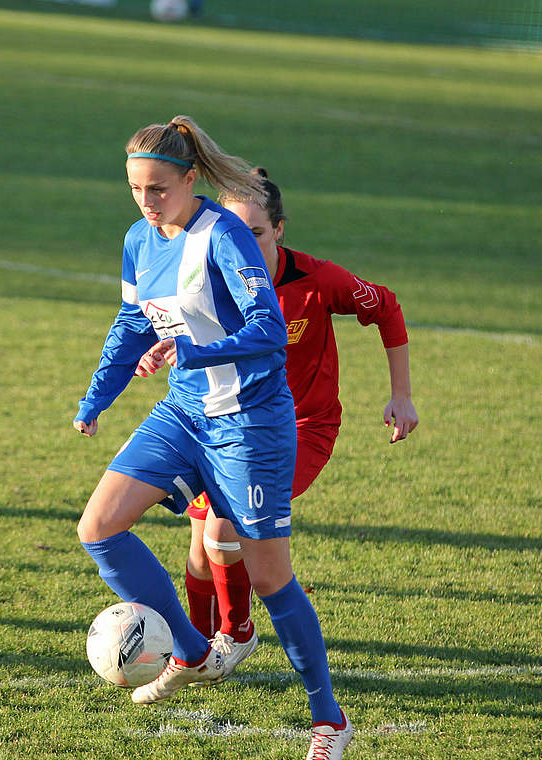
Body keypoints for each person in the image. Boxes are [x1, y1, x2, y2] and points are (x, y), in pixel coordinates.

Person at [74, 116, 353, 759]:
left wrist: (190, 350)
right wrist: (96, 400)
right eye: (136, 189)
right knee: (98, 528)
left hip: (250, 424)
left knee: (270, 578)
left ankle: (328, 720)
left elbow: (266, 331)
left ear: (189, 179)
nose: (147, 203)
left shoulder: (224, 234)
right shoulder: (139, 240)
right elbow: (129, 323)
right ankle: (194, 650)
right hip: (183, 415)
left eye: (159, 189)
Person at [182, 168, 417, 674]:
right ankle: (195, 651)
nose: (244, 245)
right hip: (226, 425)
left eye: (257, 233)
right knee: (202, 552)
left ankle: (235, 634)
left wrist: (402, 396)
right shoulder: (208, 281)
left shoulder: (316, 281)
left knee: (224, 528)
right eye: (234, 234)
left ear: (280, 228)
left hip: (300, 428)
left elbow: (387, 307)